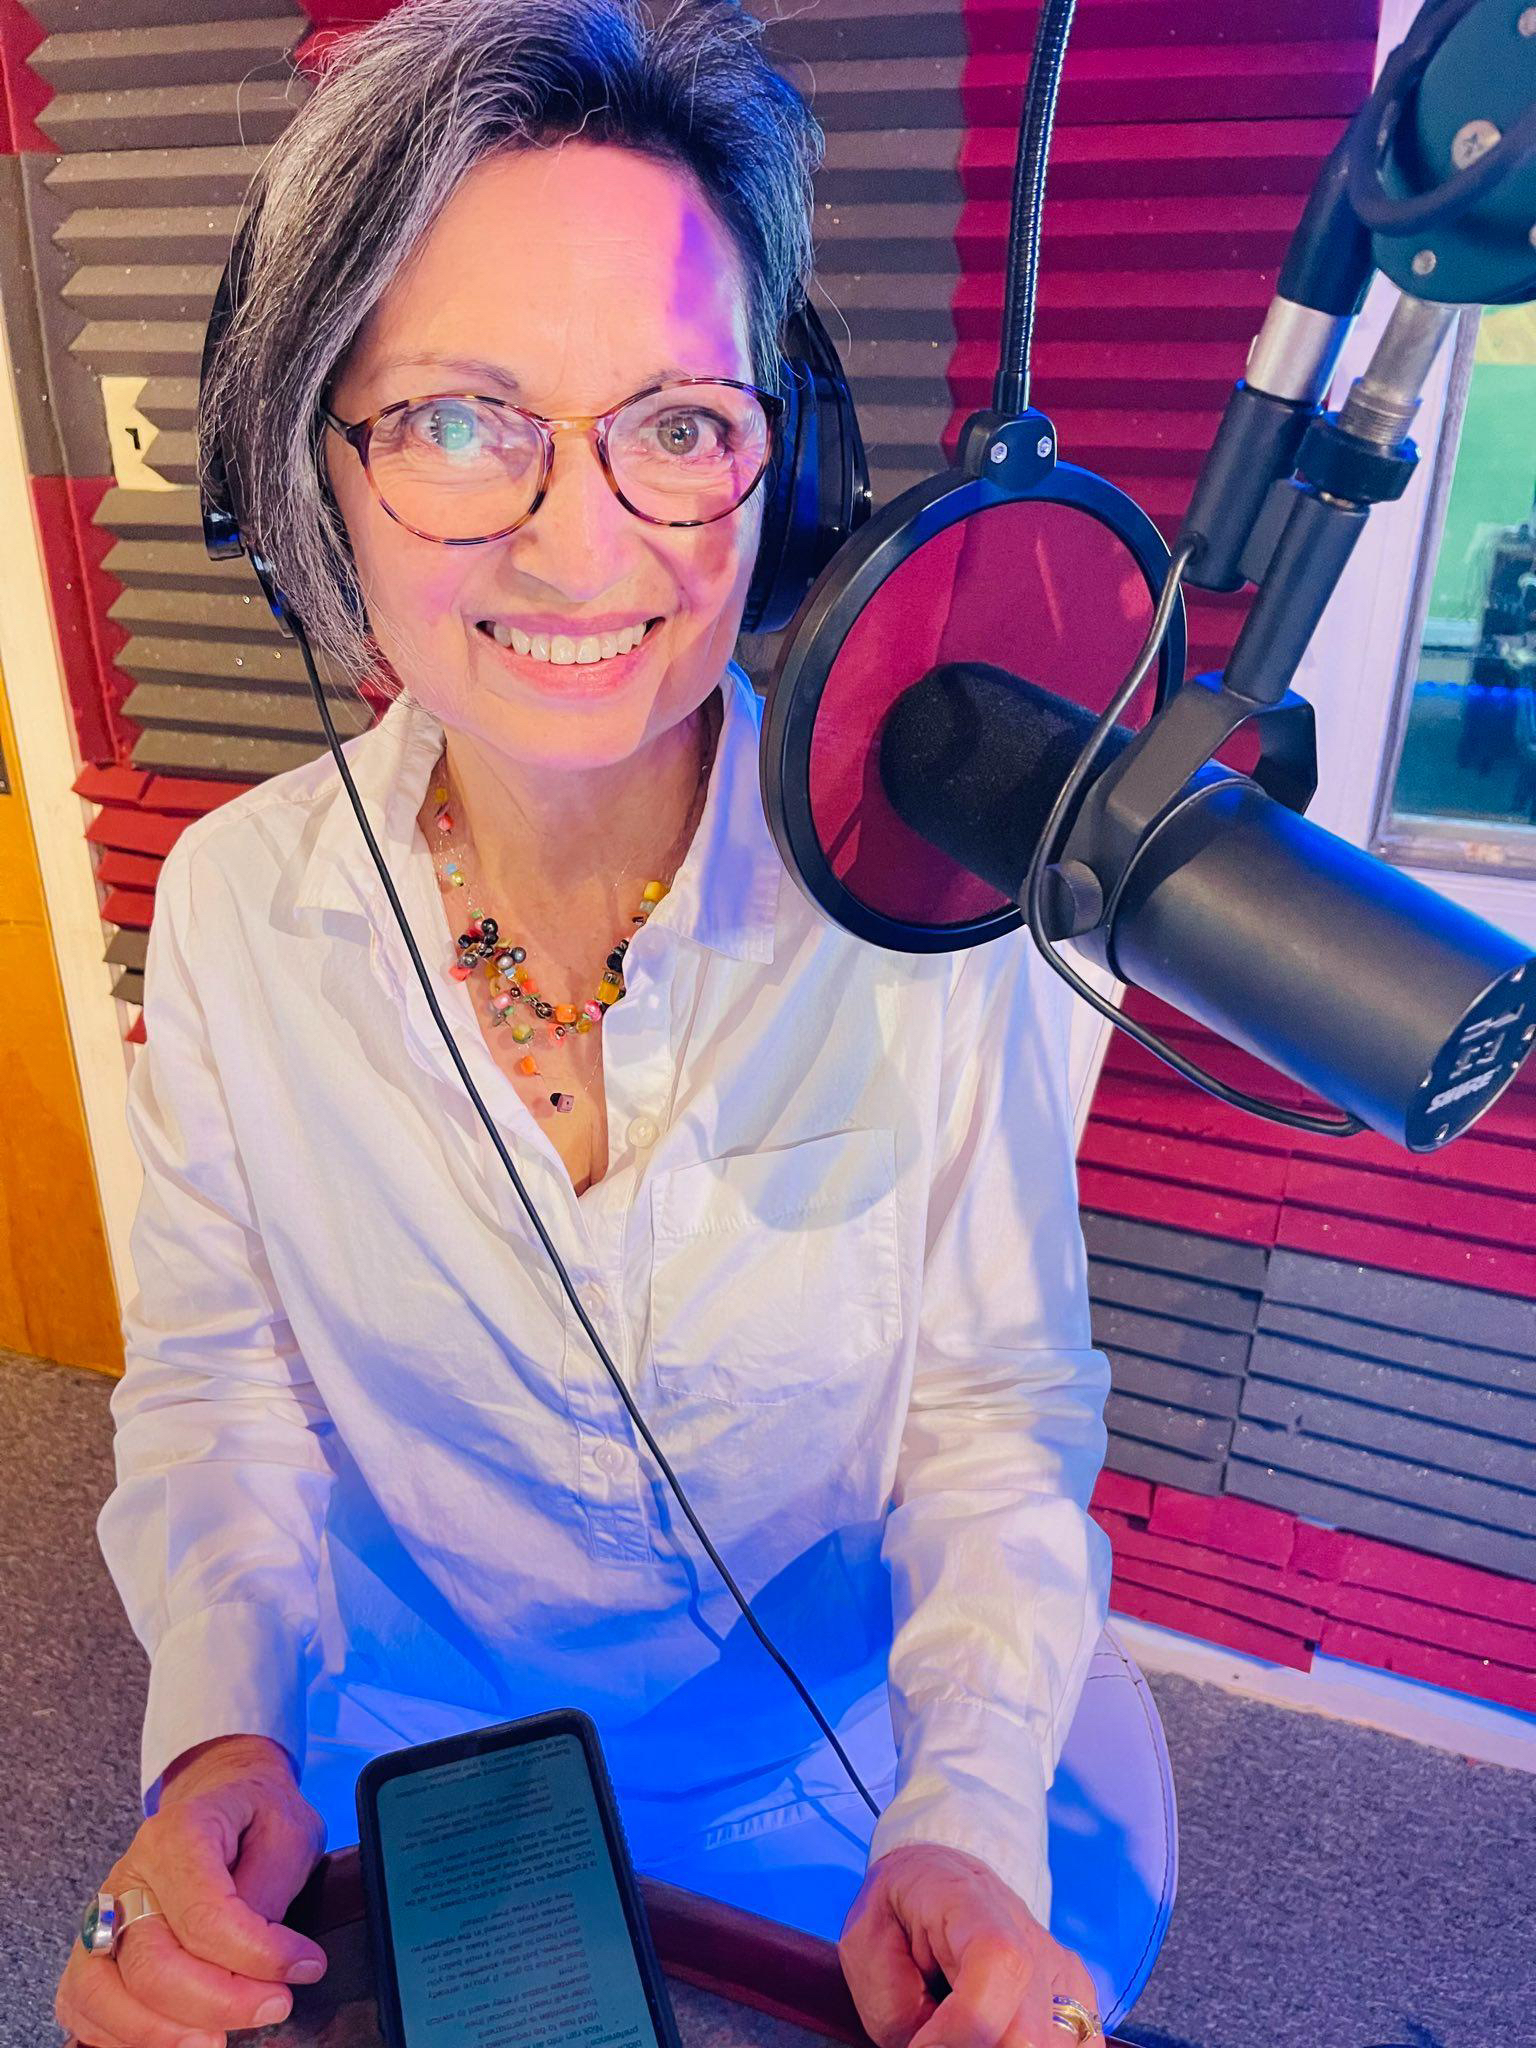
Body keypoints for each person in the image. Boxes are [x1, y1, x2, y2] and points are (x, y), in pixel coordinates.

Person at [55, 2, 1113, 2044]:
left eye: (678, 423)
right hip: (408, 1784)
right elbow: (221, 1387)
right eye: (460, 419)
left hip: (847, 1798)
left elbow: (992, 1425)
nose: (579, 537)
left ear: (777, 459)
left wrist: (966, 1812)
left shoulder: (928, 904)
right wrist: (216, 1745)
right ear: (309, 472)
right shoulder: (237, 909)